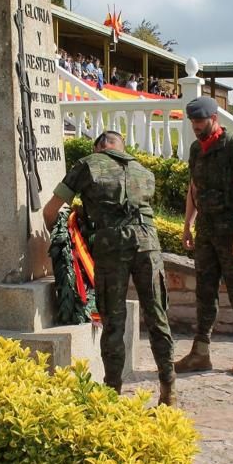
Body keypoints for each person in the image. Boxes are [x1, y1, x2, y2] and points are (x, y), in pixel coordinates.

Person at [43, 131, 177, 405]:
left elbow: (51, 210)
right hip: (148, 245)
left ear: (99, 147)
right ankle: (168, 390)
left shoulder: (87, 164)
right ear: (121, 147)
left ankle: (112, 393)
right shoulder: (144, 171)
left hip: (112, 246)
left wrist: (60, 237)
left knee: (113, 322)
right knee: (157, 317)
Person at [174, 96, 233, 377]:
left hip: (232, 229)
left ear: (214, 119)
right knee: (205, 291)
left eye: (200, 121)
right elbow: (194, 189)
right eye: (193, 122)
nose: (196, 127)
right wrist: (188, 224)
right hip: (207, 231)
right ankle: (200, 353)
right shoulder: (196, 150)